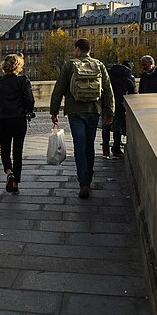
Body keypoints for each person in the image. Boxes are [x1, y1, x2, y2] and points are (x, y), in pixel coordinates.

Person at [50, 38, 115, 199]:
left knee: (79, 146)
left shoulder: (69, 65)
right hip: (94, 110)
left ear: (78, 49)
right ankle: (89, 178)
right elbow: (108, 90)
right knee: (89, 145)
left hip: (75, 110)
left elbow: (59, 89)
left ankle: (83, 182)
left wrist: (54, 111)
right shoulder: (99, 65)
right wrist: (110, 112)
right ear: (89, 50)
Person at [0, 53, 35, 194]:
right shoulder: (23, 81)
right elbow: (30, 100)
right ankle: (15, 183)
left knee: (5, 149)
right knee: (18, 151)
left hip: (4, 119)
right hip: (19, 119)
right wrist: (28, 111)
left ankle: (9, 171)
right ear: (19, 66)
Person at [102, 60, 136, 159]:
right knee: (117, 128)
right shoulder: (129, 77)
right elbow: (132, 93)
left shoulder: (109, 73)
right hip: (119, 104)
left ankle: (105, 150)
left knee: (106, 127)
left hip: (106, 103)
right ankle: (116, 149)